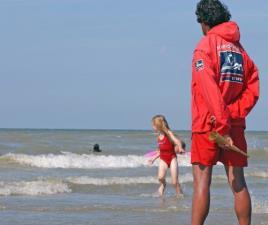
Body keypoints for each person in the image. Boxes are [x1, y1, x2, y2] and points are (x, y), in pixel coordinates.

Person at [191, 1, 259, 225]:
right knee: (238, 182)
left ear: (205, 22)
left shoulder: (205, 46)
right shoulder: (240, 50)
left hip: (208, 124)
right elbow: (253, 86)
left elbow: (208, 89)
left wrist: (221, 122)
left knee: (202, 184)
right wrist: (232, 114)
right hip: (235, 124)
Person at [149, 115, 185, 197]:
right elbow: (161, 151)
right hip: (163, 159)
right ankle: (163, 185)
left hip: (172, 158)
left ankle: (180, 194)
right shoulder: (158, 137)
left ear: (158, 125)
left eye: (153, 125)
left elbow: (177, 141)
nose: (152, 127)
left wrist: (180, 148)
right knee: (160, 177)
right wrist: (153, 159)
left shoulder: (169, 133)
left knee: (174, 182)